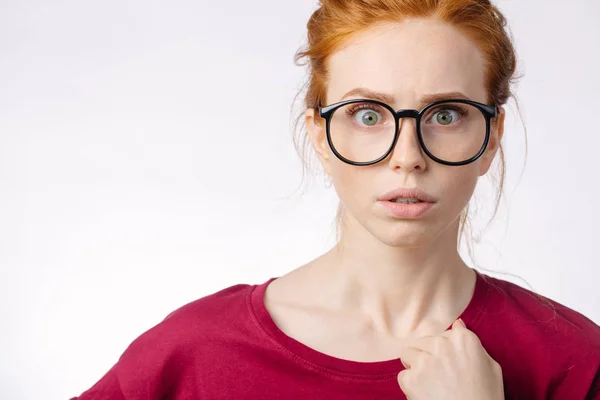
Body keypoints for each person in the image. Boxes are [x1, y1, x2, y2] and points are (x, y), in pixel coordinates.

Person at [70, 0, 600, 399]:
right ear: (320, 136)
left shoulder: (573, 360)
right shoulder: (194, 354)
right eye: (368, 115)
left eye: (446, 114)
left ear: (492, 136)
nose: (408, 156)